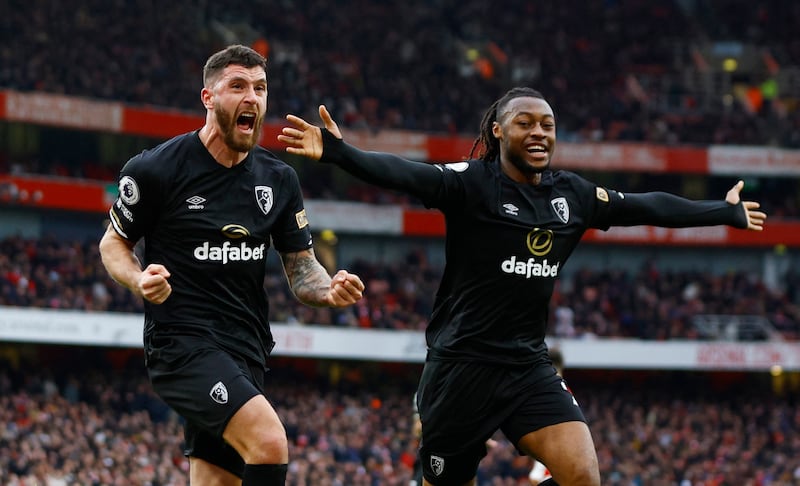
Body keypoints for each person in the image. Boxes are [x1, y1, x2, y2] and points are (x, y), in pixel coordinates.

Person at [278, 86, 766, 486]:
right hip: (460, 368)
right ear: (498, 130)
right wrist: (341, 153)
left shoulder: (572, 195)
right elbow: (408, 175)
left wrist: (723, 212)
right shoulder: (472, 184)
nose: (538, 133)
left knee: (582, 476)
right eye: (525, 123)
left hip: (527, 363)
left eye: (547, 125)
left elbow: (646, 206)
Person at [98, 44, 365, 486]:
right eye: (237, 86)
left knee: (218, 481)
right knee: (269, 442)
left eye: (260, 88)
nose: (252, 98)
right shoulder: (156, 170)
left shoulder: (279, 180)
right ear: (208, 98)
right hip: (182, 344)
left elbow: (302, 269)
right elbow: (114, 243)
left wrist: (327, 289)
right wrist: (138, 277)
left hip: (246, 347)